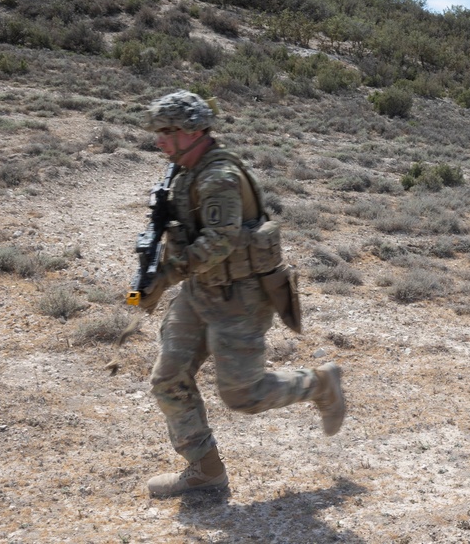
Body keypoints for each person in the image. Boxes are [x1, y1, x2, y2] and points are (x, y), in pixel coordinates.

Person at [135, 90, 346, 497]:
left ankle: (319, 383)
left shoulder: (218, 177)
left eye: (167, 131)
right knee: (168, 378)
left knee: (243, 395)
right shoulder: (185, 171)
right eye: (158, 132)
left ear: (193, 131)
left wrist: (165, 275)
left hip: (239, 297)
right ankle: (205, 470)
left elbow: (220, 240)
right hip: (200, 291)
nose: (158, 140)